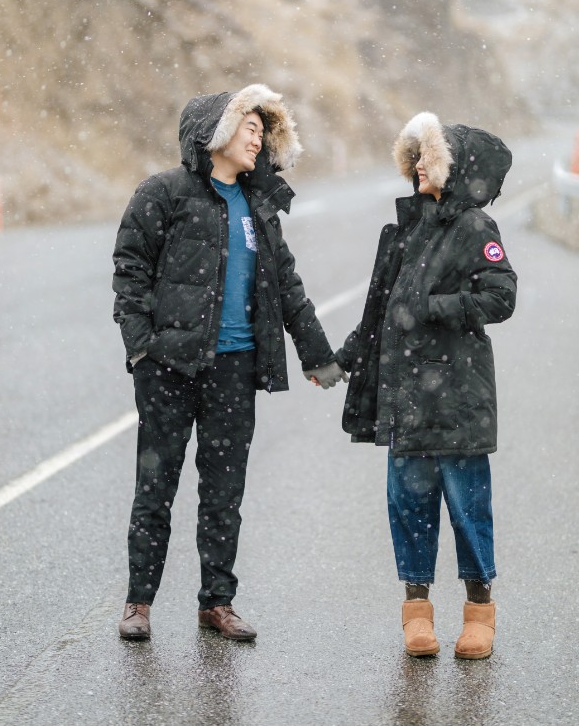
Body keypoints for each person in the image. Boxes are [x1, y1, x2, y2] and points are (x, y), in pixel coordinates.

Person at [112, 84, 347, 642]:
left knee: (224, 493)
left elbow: (288, 286)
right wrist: (144, 348)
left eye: (263, 128)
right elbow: (129, 270)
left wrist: (319, 358)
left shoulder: (259, 207)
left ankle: (216, 603)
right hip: (169, 368)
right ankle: (138, 603)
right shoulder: (163, 193)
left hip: (234, 370)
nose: (257, 135)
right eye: (248, 124)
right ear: (214, 131)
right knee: (156, 487)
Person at [335, 112, 517, 659]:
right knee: (409, 507)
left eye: (427, 156)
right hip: (405, 398)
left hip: (458, 397)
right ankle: (417, 614)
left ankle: (479, 612)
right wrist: (343, 359)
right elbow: (381, 313)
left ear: (452, 168)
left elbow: (501, 297)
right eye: (413, 156)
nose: (416, 165)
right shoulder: (407, 228)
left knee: (467, 507)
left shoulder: (476, 228)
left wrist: (435, 308)